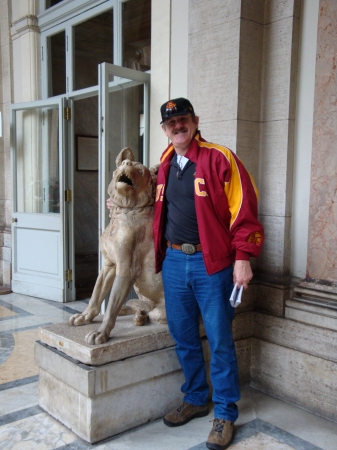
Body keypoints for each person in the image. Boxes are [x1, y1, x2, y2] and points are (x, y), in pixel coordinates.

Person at [153, 98, 264, 450]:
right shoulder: (165, 164)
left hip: (211, 264)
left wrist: (243, 257)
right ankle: (197, 397)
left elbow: (244, 208)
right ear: (165, 129)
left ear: (195, 121)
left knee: (219, 341)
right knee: (183, 337)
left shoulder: (220, 158)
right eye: (171, 123)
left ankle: (225, 413)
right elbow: (158, 205)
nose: (178, 127)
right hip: (173, 262)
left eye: (183, 120)